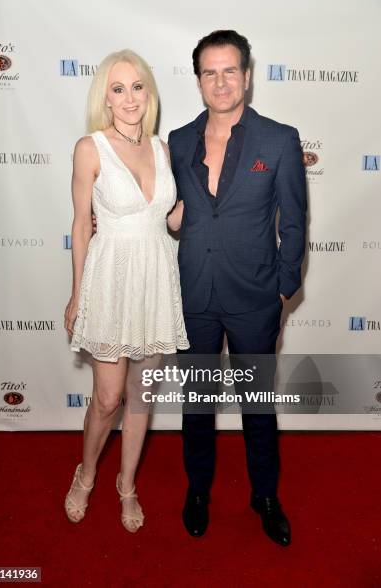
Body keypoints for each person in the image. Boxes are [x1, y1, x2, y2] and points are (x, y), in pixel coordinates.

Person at [168, 30, 307, 546]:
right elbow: (174, 213)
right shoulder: (179, 141)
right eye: (210, 72)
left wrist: (281, 289)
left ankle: (265, 496)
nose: (221, 81)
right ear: (199, 80)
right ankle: (198, 490)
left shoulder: (279, 139)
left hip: (255, 299)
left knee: (258, 406)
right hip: (195, 297)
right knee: (198, 404)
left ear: (247, 76)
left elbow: (294, 223)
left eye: (230, 70)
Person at [63, 49, 189, 532]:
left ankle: (127, 485)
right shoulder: (89, 148)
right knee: (108, 398)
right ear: (106, 98)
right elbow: (79, 226)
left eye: (137, 86)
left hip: (156, 276)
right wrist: (77, 295)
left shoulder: (164, 149)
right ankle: (87, 472)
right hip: (110, 277)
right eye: (118, 89)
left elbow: (172, 217)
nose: (129, 97)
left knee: (141, 397)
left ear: (148, 93)